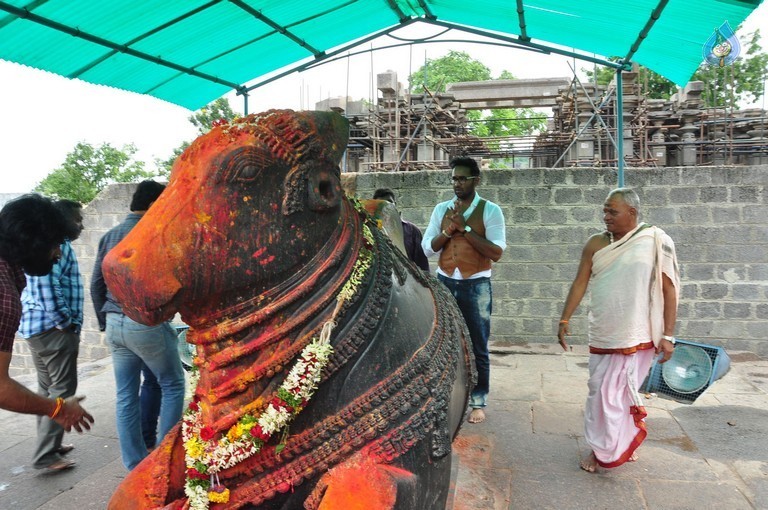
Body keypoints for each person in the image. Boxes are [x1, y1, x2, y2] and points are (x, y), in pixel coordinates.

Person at [557, 187, 680, 473]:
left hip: (639, 333)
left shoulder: (655, 240)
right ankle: (600, 447)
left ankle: (621, 444)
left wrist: (669, 335)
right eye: (605, 210)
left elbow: (669, 288)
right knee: (599, 393)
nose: (606, 216)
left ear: (632, 213)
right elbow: (579, 283)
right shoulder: (596, 243)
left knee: (625, 393)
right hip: (606, 330)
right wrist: (564, 319)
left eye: (612, 211)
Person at [91, 180, 185, 470]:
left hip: (115, 325)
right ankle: (162, 461)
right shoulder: (155, 234)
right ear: (156, 205)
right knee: (173, 384)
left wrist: (105, 322)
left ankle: (134, 465)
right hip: (143, 322)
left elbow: (96, 283)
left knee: (125, 395)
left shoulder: (109, 236)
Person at [0, 195, 94, 459]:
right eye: (55, 244)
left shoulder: (11, 273)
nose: (58, 252)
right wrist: (59, 409)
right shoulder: (4, 296)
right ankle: (46, 455)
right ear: (35, 243)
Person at [422, 156, 506, 425]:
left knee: (478, 344)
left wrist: (466, 228)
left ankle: (478, 400)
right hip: (445, 282)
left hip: (476, 285)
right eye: (454, 179)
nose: (457, 183)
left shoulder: (491, 211)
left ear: (476, 180)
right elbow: (427, 248)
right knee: (445, 341)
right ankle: (446, 395)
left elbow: (496, 252)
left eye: (462, 178)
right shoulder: (441, 210)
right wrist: (449, 230)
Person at [18, 199, 85, 471]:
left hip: (39, 328)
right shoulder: (54, 246)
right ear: (64, 220)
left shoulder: (52, 244)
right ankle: (46, 455)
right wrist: (66, 323)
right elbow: (47, 288)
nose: (82, 224)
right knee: (61, 391)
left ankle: (49, 446)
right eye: (78, 219)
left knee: (47, 390)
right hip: (53, 330)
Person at [372, 188, 430, 271]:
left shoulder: (412, 231)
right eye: (381, 203)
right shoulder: (371, 231)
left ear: (395, 204)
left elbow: (422, 265)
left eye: (389, 202)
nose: (386, 206)